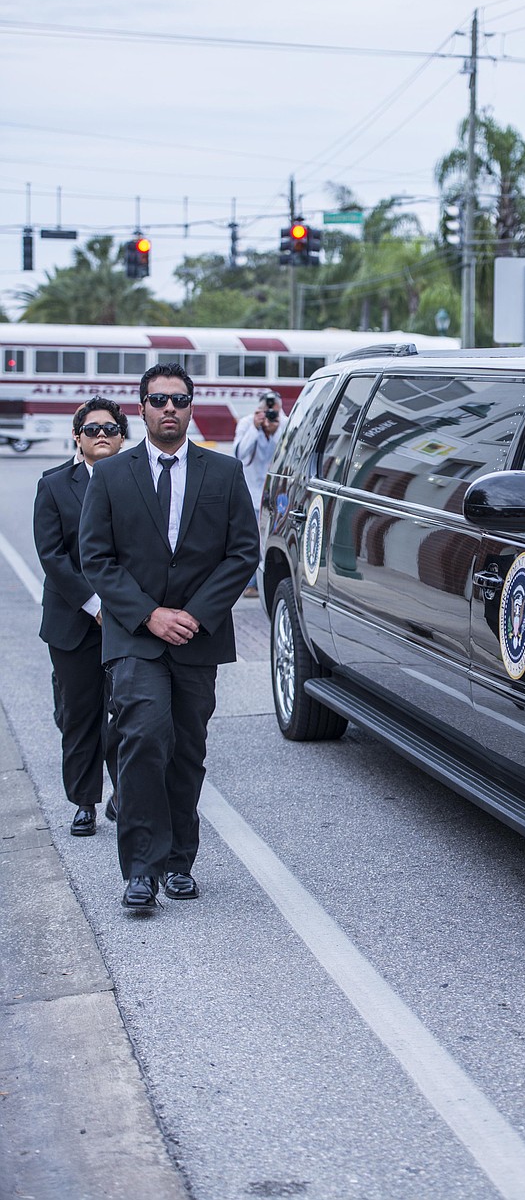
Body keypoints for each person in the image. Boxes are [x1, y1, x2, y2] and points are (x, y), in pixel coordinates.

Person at [79, 363, 258, 913]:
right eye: (158, 400)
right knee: (143, 739)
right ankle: (140, 870)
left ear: (191, 407)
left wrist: (196, 615)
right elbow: (96, 558)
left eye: (179, 399)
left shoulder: (224, 474)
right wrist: (150, 614)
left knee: (185, 750)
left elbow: (242, 553)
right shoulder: (112, 476)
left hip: (197, 638)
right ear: (142, 409)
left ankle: (180, 861)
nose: (169, 409)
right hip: (136, 636)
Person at [33, 397, 127, 836]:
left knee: (127, 711)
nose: (101, 435)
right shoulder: (53, 485)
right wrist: (95, 605)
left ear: (122, 436)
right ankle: (84, 801)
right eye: (92, 430)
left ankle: (125, 793)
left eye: (110, 429)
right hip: (73, 621)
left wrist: (123, 607)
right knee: (79, 713)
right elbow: (52, 556)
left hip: (127, 622)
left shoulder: (138, 481)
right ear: (78, 437)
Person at [233, 391, 284, 597]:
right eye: (266, 410)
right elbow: (240, 453)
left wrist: (275, 430)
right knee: (253, 539)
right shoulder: (247, 423)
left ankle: (269, 580)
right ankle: (252, 584)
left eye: (274, 410)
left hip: (277, 494)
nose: (270, 414)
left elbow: (289, 450)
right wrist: (256, 428)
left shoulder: (285, 423)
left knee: (273, 539)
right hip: (252, 493)